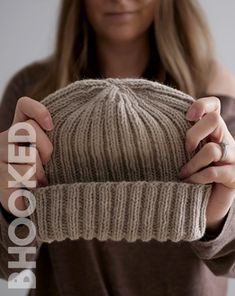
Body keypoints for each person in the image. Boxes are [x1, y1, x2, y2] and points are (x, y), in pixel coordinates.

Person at [0, 0, 235, 295]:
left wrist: (216, 217)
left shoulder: (215, 94)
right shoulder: (30, 94)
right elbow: (11, 265)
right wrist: (12, 210)